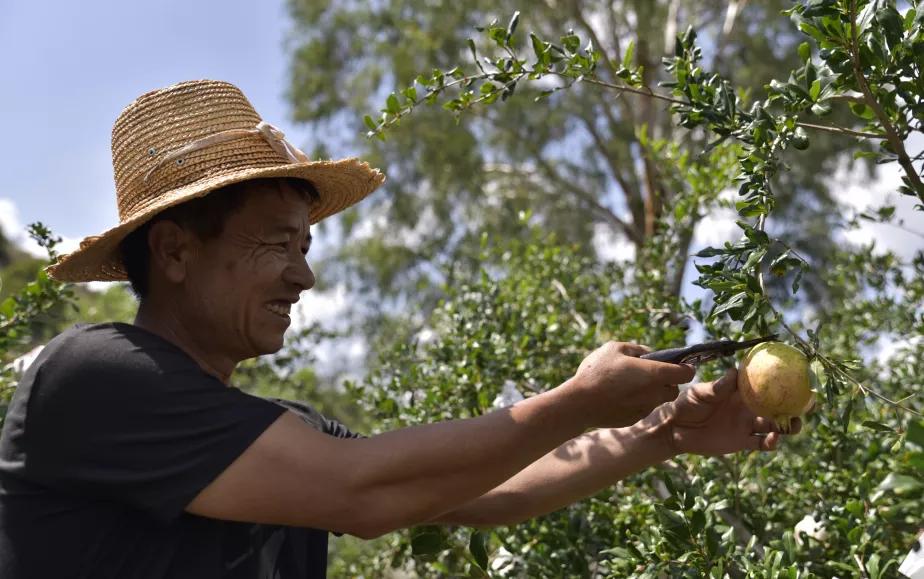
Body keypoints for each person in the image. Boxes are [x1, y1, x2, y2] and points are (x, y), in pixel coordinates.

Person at [0, 80, 800, 579]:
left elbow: (475, 491)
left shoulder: (286, 435)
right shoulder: (94, 375)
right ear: (174, 249)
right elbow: (365, 491)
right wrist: (580, 401)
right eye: (276, 243)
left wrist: (660, 433)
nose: (303, 275)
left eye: (305, 247)